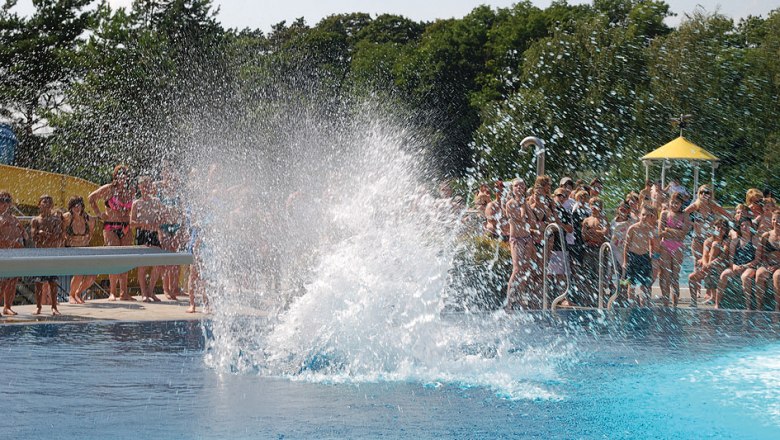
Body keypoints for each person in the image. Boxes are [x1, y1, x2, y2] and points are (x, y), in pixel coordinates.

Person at [89, 165, 136, 301]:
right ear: (115, 176)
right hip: (110, 226)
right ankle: (112, 292)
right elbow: (91, 197)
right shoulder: (109, 189)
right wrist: (99, 214)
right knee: (114, 257)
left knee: (126, 259)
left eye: (125, 175)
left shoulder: (131, 191)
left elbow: (134, 208)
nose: (122, 177)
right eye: (120, 175)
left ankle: (124, 292)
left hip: (126, 227)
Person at [156, 161, 188, 301]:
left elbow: (182, 208)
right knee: (166, 257)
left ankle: (175, 287)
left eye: (171, 170)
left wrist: (183, 226)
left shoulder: (178, 189)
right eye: (166, 171)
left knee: (176, 257)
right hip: (164, 226)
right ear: (163, 173)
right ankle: (166, 288)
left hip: (176, 225)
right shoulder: (159, 188)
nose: (169, 173)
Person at [130, 176, 165, 302]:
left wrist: (157, 224)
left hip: (154, 233)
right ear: (140, 187)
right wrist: (142, 223)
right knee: (143, 265)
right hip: (142, 233)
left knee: (158, 263)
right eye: (143, 186)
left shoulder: (156, 201)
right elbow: (131, 223)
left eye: (148, 186)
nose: (146, 188)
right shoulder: (136, 203)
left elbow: (161, 219)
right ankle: (144, 293)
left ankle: (150, 290)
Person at [31, 195, 65, 315]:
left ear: (52, 205)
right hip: (40, 254)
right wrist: (40, 233)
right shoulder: (36, 220)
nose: (46, 204)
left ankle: (54, 306)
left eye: (49, 202)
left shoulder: (55, 220)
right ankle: (38, 306)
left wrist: (49, 235)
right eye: (44, 201)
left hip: (52, 253)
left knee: (53, 281)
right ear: (39, 204)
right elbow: (33, 237)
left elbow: (60, 235)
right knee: (38, 282)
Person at [685, 184, 731, 274]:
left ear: (710, 194)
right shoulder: (695, 206)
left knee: (710, 262)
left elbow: (728, 216)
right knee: (697, 264)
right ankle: (697, 287)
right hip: (697, 239)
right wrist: (691, 223)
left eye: (706, 192)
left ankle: (710, 285)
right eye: (701, 192)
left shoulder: (714, 206)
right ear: (699, 194)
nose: (704, 194)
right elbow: (682, 214)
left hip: (710, 239)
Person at [658, 192, 692, 307]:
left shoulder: (685, 216)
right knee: (665, 275)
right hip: (665, 246)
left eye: (677, 203)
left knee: (675, 277)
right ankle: (666, 302)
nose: (674, 205)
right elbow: (660, 233)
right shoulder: (664, 214)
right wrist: (675, 232)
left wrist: (668, 230)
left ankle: (675, 304)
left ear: (681, 204)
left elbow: (683, 235)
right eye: (672, 202)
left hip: (677, 247)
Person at [717, 216, 759, 310]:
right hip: (737, 266)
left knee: (745, 277)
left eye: (747, 225)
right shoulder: (735, 241)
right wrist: (734, 266)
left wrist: (745, 266)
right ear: (739, 227)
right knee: (724, 274)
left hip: (750, 267)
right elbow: (731, 258)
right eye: (743, 225)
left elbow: (757, 260)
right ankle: (717, 303)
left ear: (751, 227)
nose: (745, 227)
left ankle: (748, 305)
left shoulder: (755, 240)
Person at [505, 178, 534, 310]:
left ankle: (522, 297)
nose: (519, 188)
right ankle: (509, 302)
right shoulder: (510, 203)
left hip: (527, 238)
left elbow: (532, 220)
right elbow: (522, 217)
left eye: (521, 186)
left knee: (525, 269)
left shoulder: (526, 203)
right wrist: (523, 207)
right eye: (516, 186)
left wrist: (525, 207)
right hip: (516, 239)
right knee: (516, 269)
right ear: (512, 188)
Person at [688, 219, 731, 308]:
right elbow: (704, 256)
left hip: (721, 265)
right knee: (691, 278)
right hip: (709, 267)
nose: (719, 230)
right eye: (718, 227)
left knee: (715, 245)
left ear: (726, 230)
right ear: (714, 228)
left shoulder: (726, 241)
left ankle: (715, 299)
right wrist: (705, 264)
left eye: (722, 228)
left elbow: (723, 256)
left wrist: (710, 264)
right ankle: (693, 301)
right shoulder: (708, 241)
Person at [62, 196, 96, 304]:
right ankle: (71, 295)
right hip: (71, 249)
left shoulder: (88, 219)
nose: (77, 208)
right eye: (74, 205)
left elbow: (91, 233)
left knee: (92, 275)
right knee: (79, 273)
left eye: (79, 205)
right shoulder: (67, 218)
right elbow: (61, 232)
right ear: (70, 207)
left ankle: (78, 292)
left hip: (84, 248)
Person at [623, 206, 658, 307]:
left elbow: (652, 243)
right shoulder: (633, 228)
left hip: (645, 257)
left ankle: (643, 305)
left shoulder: (650, 229)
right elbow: (626, 245)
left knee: (644, 284)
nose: (644, 217)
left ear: (651, 217)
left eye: (647, 215)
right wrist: (625, 261)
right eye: (643, 215)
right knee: (631, 283)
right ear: (639, 215)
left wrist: (651, 255)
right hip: (634, 257)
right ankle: (631, 304)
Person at [0, 190, 26, 316]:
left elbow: (24, 234)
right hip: (3, 253)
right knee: (2, 281)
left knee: (13, 280)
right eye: (2, 201)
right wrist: (11, 243)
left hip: (14, 253)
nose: (5, 204)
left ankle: (7, 306)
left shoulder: (14, 218)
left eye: (7, 202)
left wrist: (21, 241)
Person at [580, 197, 609, 306]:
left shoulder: (603, 219)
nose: (593, 207)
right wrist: (596, 233)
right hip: (589, 249)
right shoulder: (587, 220)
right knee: (587, 274)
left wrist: (592, 232)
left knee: (600, 274)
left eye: (595, 204)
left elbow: (605, 233)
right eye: (591, 204)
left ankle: (600, 298)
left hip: (600, 250)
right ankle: (588, 298)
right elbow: (584, 236)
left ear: (600, 207)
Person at [754, 209, 780, 311]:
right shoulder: (766, 235)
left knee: (777, 276)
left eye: (779, 220)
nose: (776, 222)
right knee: (759, 274)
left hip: (778, 266)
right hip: (767, 264)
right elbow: (762, 253)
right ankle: (759, 306)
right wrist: (766, 263)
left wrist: (777, 266)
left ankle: (777, 307)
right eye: (774, 219)